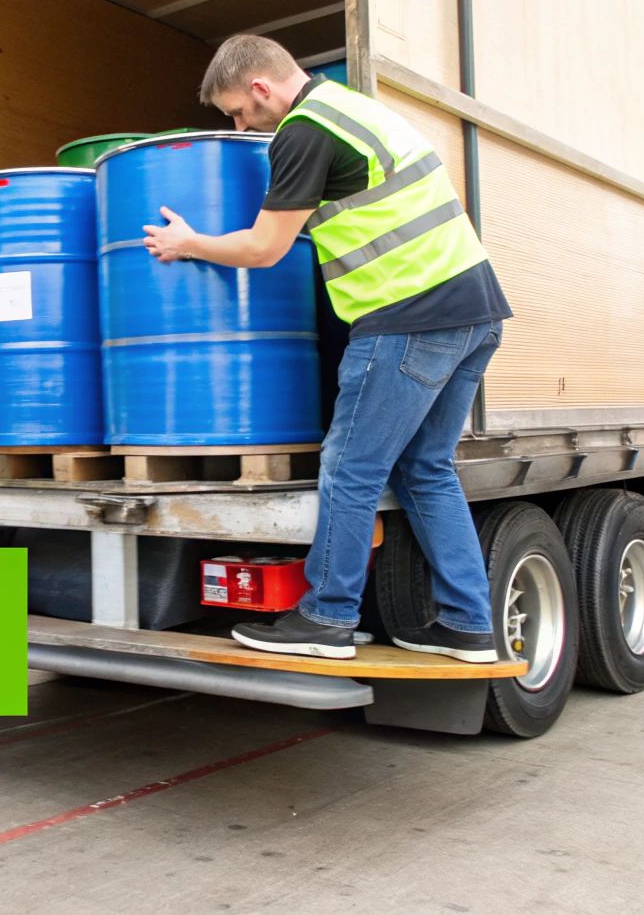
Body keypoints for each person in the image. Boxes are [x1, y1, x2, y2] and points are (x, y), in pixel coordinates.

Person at [141, 35, 513, 663]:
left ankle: (326, 617)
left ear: (261, 87)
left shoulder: (304, 131)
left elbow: (265, 249)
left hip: (409, 317)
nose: (239, 125)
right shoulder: (349, 105)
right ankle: (469, 625)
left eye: (238, 111)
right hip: (475, 311)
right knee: (426, 470)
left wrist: (191, 242)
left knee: (349, 465)